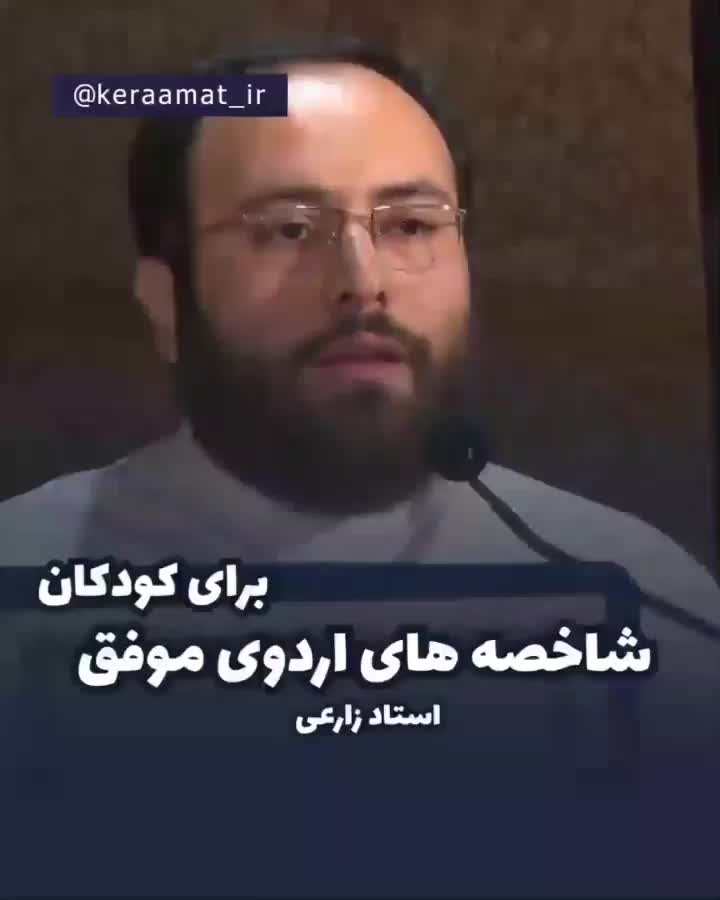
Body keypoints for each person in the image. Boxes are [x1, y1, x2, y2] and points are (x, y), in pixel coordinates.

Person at [0, 36, 718, 630]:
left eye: (411, 225)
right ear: (165, 302)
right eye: (289, 230)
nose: (363, 281)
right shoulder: (29, 580)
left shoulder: (637, 596)